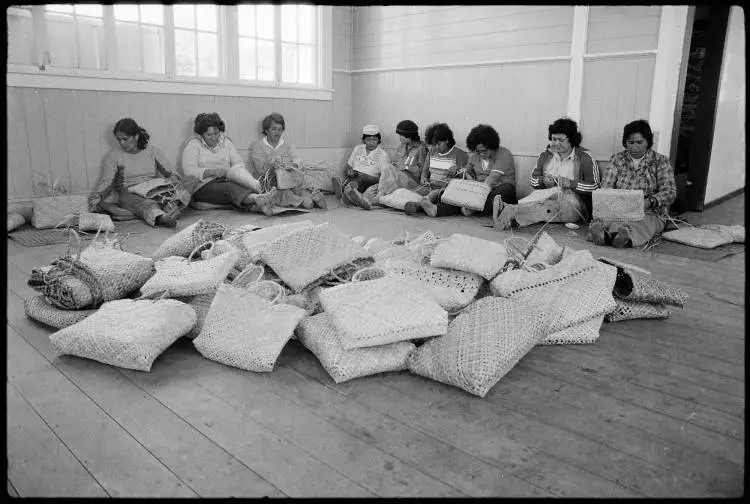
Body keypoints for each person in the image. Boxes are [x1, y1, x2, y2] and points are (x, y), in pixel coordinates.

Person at [89, 118, 198, 228]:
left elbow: (170, 171)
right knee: (132, 200)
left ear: (136, 136)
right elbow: (107, 181)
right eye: (119, 140)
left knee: (190, 179)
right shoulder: (114, 156)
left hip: (153, 189)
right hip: (131, 192)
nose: (122, 143)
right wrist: (99, 195)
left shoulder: (152, 151)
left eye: (125, 139)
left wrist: (173, 177)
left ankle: (174, 206)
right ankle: (162, 218)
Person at [495, 117, 600, 229]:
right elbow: (533, 180)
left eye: (561, 140)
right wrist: (543, 181)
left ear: (572, 139)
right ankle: (511, 214)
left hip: (574, 202)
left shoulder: (585, 157)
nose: (556, 143)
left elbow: (595, 186)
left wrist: (570, 183)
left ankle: (511, 213)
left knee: (551, 207)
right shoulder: (546, 155)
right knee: (539, 202)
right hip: (546, 195)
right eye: (554, 139)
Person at [588, 119, 676, 248]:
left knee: (641, 223)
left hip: (648, 210)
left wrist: (649, 202)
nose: (634, 147)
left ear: (648, 142)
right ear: (625, 143)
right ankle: (606, 236)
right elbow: (605, 187)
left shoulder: (660, 161)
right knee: (607, 220)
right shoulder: (617, 159)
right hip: (618, 208)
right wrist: (610, 203)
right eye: (630, 142)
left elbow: (669, 192)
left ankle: (620, 238)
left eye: (639, 142)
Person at [182, 112, 275, 216]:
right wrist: (212, 172)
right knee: (229, 188)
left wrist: (233, 172)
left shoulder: (225, 142)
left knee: (242, 183)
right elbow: (189, 171)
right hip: (203, 186)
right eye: (209, 135)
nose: (214, 137)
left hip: (226, 179)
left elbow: (238, 163)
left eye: (216, 133)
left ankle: (259, 205)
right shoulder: (193, 144)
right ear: (201, 134)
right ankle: (257, 198)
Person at [247, 112, 327, 210]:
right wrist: (272, 164)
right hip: (267, 184)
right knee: (282, 194)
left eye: (280, 129)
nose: (277, 132)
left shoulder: (287, 145)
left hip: (286, 181)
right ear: (266, 130)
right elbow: (260, 169)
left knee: (297, 189)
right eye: (274, 129)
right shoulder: (257, 145)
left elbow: (297, 159)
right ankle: (303, 201)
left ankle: (313, 197)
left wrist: (292, 165)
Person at [404, 122, 468, 216]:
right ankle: (423, 204)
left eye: (438, 144)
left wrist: (457, 168)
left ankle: (421, 205)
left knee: (441, 196)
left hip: (445, 190)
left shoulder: (459, 154)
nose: (436, 147)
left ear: (446, 140)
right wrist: (423, 177)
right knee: (406, 190)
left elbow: (465, 174)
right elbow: (425, 171)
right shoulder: (432, 152)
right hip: (429, 187)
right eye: (433, 145)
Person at [333, 124, 391, 210]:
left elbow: (383, 179)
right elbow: (348, 167)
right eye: (368, 139)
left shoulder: (383, 154)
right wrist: (349, 171)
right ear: (363, 140)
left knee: (359, 180)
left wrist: (366, 176)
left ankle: (346, 191)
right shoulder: (358, 148)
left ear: (379, 140)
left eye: (374, 139)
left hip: (371, 181)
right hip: (354, 177)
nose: (371, 142)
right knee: (353, 179)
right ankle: (349, 191)